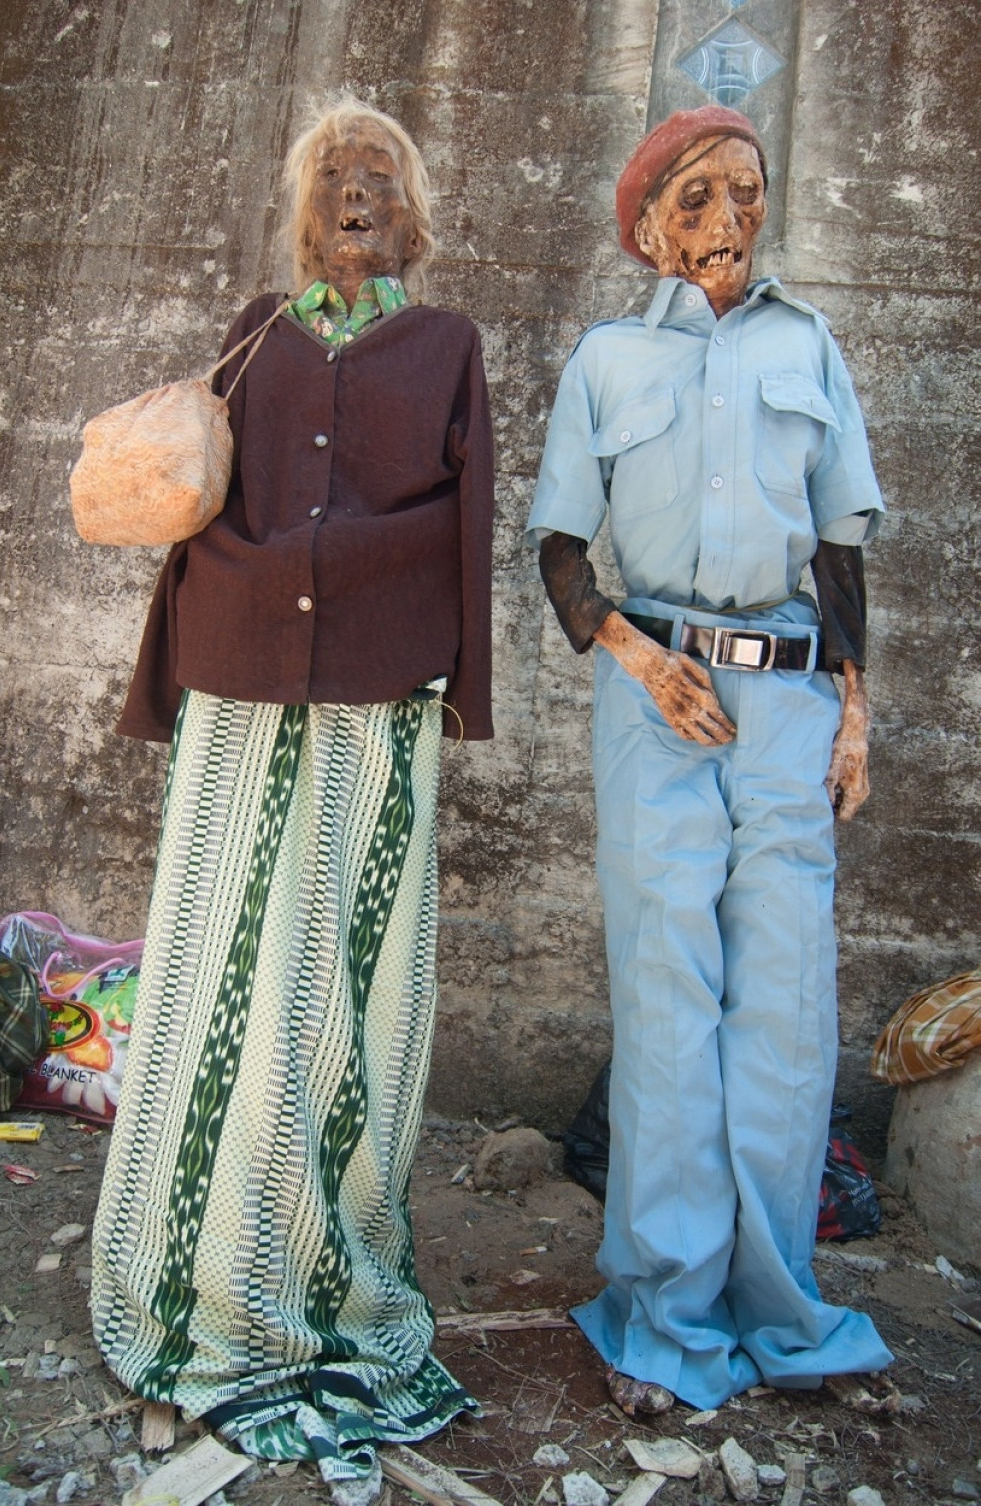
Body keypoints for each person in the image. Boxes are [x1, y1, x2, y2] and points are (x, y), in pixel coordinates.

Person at [91, 99, 494, 1485]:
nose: (357, 191)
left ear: (418, 216)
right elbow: (203, 510)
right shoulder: (258, 326)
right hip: (241, 686)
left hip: (380, 698)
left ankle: (324, 1262)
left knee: (340, 981)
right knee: (223, 968)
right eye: (334, 174)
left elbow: (474, 514)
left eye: (382, 174)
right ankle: (196, 1261)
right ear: (300, 208)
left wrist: (459, 684)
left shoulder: (448, 347)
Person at [526, 105, 893, 1415]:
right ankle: (666, 1316)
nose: (732, 219)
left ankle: (780, 1306)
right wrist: (635, 654)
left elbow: (841, 542)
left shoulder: (809, 345)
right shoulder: (609, 361)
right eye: (700, 198)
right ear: (647, 226)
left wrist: (854, 711)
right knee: (671, 1005)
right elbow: (562, 548)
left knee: (788, 1008)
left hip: (790, 711)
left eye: (749, 192)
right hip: (655, 700)